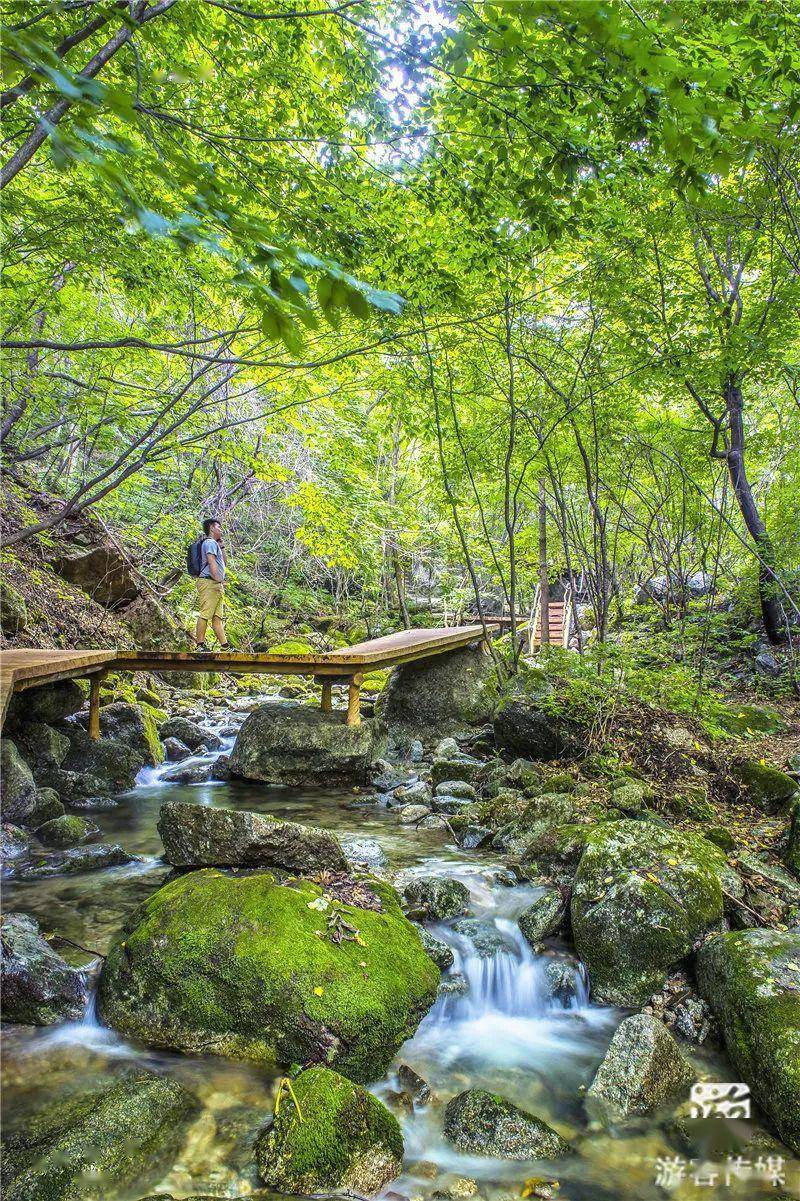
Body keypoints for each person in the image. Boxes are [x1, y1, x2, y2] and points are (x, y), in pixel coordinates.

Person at [193, 518, 233, 651]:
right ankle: (200, 645)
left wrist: (222, 546)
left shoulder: (215, 544)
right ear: (211, 528)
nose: (221, 530)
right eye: (219, 527)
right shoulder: (209, 543)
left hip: (215, 584)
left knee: (217, 618)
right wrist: (218, 579)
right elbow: (211, 561)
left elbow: (224, 563)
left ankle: (225, 647)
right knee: (205, 614)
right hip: (209, 582)